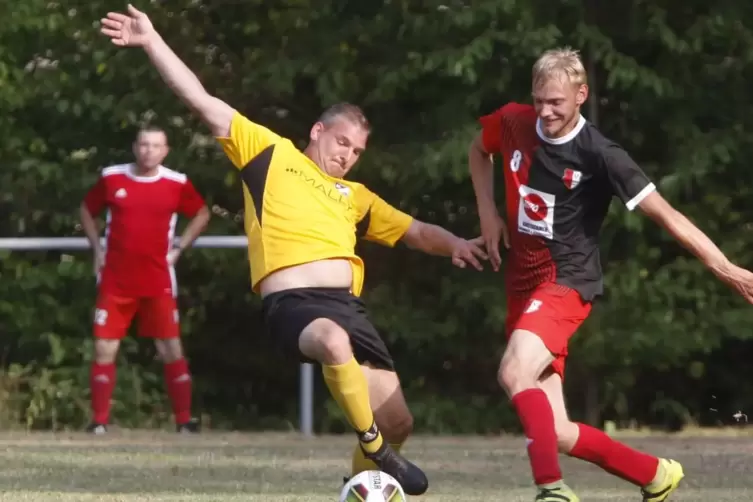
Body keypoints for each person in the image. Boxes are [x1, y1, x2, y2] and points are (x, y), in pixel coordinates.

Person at [99, 5, 487, 495]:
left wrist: (456, 243)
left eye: (357, 151)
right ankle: (373, 448)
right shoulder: (269, 154)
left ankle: (361, 482)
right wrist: (152, 40)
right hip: (293, 305)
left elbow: (413, 230)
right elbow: (201, 99)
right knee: (332, 344)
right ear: (318, 131)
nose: (346, 155)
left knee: (400, 421)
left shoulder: (357, 197)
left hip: (349, 308)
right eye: (341, 142)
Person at [468, 47, 753, 502]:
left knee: (513, 371)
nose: (545, 111)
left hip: (566, 282)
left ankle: (551, 491)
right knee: (556, 431)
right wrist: (487, 212)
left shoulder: (602, 154)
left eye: (556, 102)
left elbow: (669, 216)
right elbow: (477, 150)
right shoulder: (515, 121)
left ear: (581, 95)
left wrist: (724, 267)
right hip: (522, 289)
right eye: (539, 99)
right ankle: (655, 475)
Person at [80, 125, 211, 434]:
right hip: (116, 279)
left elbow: (202, 213)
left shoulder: (176, 183)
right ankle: (99, 421)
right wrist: (97, 248)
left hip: (157, 280)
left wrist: (179, 247)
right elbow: (87, 209)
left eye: (155, 145)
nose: (148, 150)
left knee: (170, 348)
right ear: (135, 147)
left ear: (165, 151)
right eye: (143, 144)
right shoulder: (112, 177)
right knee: (104, 348)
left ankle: (184, 421)